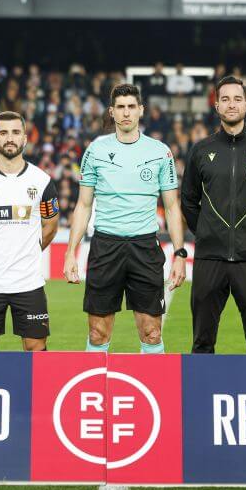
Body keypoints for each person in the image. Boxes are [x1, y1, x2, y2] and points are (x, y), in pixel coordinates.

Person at [64, 83, 186, 353]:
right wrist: (70, 252)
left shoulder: (160, 152)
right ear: (112, 112)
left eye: (132, 106)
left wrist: (180, 254)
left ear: (141, 110)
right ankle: (94, 393)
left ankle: (153, 393)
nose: (126, 113)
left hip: (144, 247)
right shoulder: (95, 151)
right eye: (121, 107)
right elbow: (83, 205)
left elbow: (172, 206)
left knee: (152, 333)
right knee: (97, 333)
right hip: (105, 246)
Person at [181, 75, 246, 354]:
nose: (231, 104)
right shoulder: (201, 150)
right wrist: (205, 232)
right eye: (225, 99)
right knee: (202, 343)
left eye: (237, 99)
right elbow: (188, 200)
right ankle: (200, 396)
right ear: (216, 106)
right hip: (209, 257)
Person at [0, 111, 60, 351]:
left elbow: (51, 226)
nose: (10, 138)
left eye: (16, 132)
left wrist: (30, 251)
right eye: (3, 133)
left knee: (36, 347)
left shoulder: (43, 181)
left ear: (25, 138)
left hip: (29, 283)